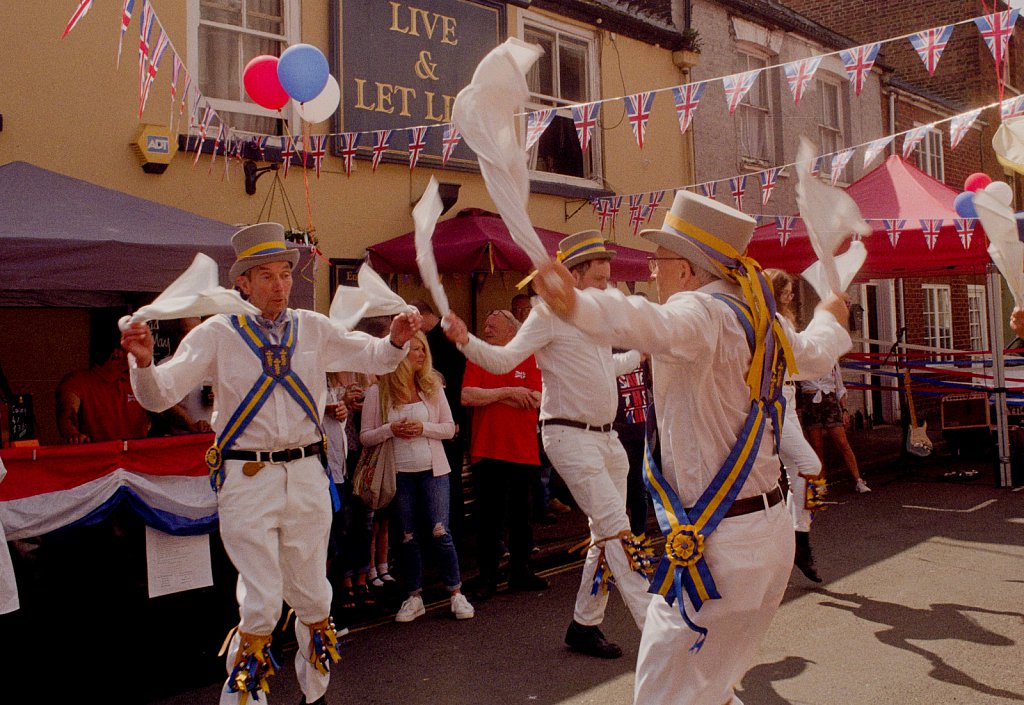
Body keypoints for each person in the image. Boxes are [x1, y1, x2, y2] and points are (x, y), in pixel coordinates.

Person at [532, 189, 852, 705]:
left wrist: (577, 302)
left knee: (665, 694)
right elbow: (814, 354)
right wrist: (832, 315)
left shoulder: (698, 312)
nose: (651, 273)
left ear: (686, 271)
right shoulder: (758, 320)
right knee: (709, 687)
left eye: (659, 261)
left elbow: (649, 321)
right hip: (768, 540)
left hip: (719, 549)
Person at [121, 222, 419, 705]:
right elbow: (161, 395)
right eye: (267, 276)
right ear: (242, 283)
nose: (280, 285)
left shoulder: (313, 327)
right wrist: (142, 364)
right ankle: (243, 699)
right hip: (246, 477)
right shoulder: (217, 333)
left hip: (306, 475)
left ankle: (315, 696)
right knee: (260, 603)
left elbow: (374, 356)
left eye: (285, 274)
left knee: (314, 596)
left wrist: (397, 340)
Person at [445, 231, 651, 660]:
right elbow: (504, 360)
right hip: (568, 436)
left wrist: (640, 356)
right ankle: (659, 633)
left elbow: (604, 364)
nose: (607, 287)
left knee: (604, 535)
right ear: (572, 276)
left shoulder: (594, 318)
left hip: (606, 438)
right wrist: (466, 340)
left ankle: (584, 624)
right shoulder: (545, 317)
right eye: (599, 278)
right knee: (619, 530)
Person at [358, 331, 475, 623]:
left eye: (423, 350)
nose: (421, 355)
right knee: (408, 536)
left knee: (440, 532)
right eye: (414, 349)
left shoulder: (432, 386)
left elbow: (450, 428)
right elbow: (365, 437)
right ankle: (413, 597)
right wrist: (391, 430)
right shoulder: (378, 391)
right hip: (400, 474)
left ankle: (456, 593)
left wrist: (422, 428)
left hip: (434, 471)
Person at [461, 309, 548, 599]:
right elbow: (467, 395)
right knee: (489, 518)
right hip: (487, 449)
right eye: (485, 324)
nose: (485, 329)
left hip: (522, 450)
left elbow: (537, 398)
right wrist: (509, 392)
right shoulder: (479, 357)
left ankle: (520, 572)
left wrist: (497, 395)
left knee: (521, 516)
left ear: (512, 331)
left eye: (492, 325)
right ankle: (488, 578)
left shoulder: (530, 357)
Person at [765, 269, 827, 583]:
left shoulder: (781, 320)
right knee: (808, 465)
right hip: (776, 399)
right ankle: (798, 539)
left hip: (787, 396)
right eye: (787, 292)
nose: (791, 297)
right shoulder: (773, 321)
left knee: (797, 471)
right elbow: (799, 357)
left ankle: (796, 541)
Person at [409, 300, 469, 558]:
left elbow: (453, 384)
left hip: (448, 423)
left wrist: (453, 421)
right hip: (443, 421)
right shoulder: (437, 340)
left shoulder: (443, 342)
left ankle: (449, 541)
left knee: (447, 483)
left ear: (421, 316)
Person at [56, 339, 151, 443]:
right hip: (98, 457)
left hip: (138, 457)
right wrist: (73, 434)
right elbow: (67, 413)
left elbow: (167, 409)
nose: (141, 355)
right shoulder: (77, 381)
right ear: (117, 354)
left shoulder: (139, 381)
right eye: (136, 350)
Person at [799, 362, 870, 493]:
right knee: (816, 446)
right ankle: (821, 482)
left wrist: (844, 410)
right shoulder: (802, 355)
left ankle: (858, 480)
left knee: (842, 443)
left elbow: (839, 387)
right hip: (810, 402)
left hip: (829, 401)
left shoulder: (830, 358)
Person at [613, 343, 655, 537]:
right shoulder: (609, 349)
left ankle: (638, 537)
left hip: (639, 427)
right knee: (621, 488)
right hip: (618, 428)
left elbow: (649, 382)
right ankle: (623, 537)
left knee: (638, 486)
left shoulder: (640, 349)